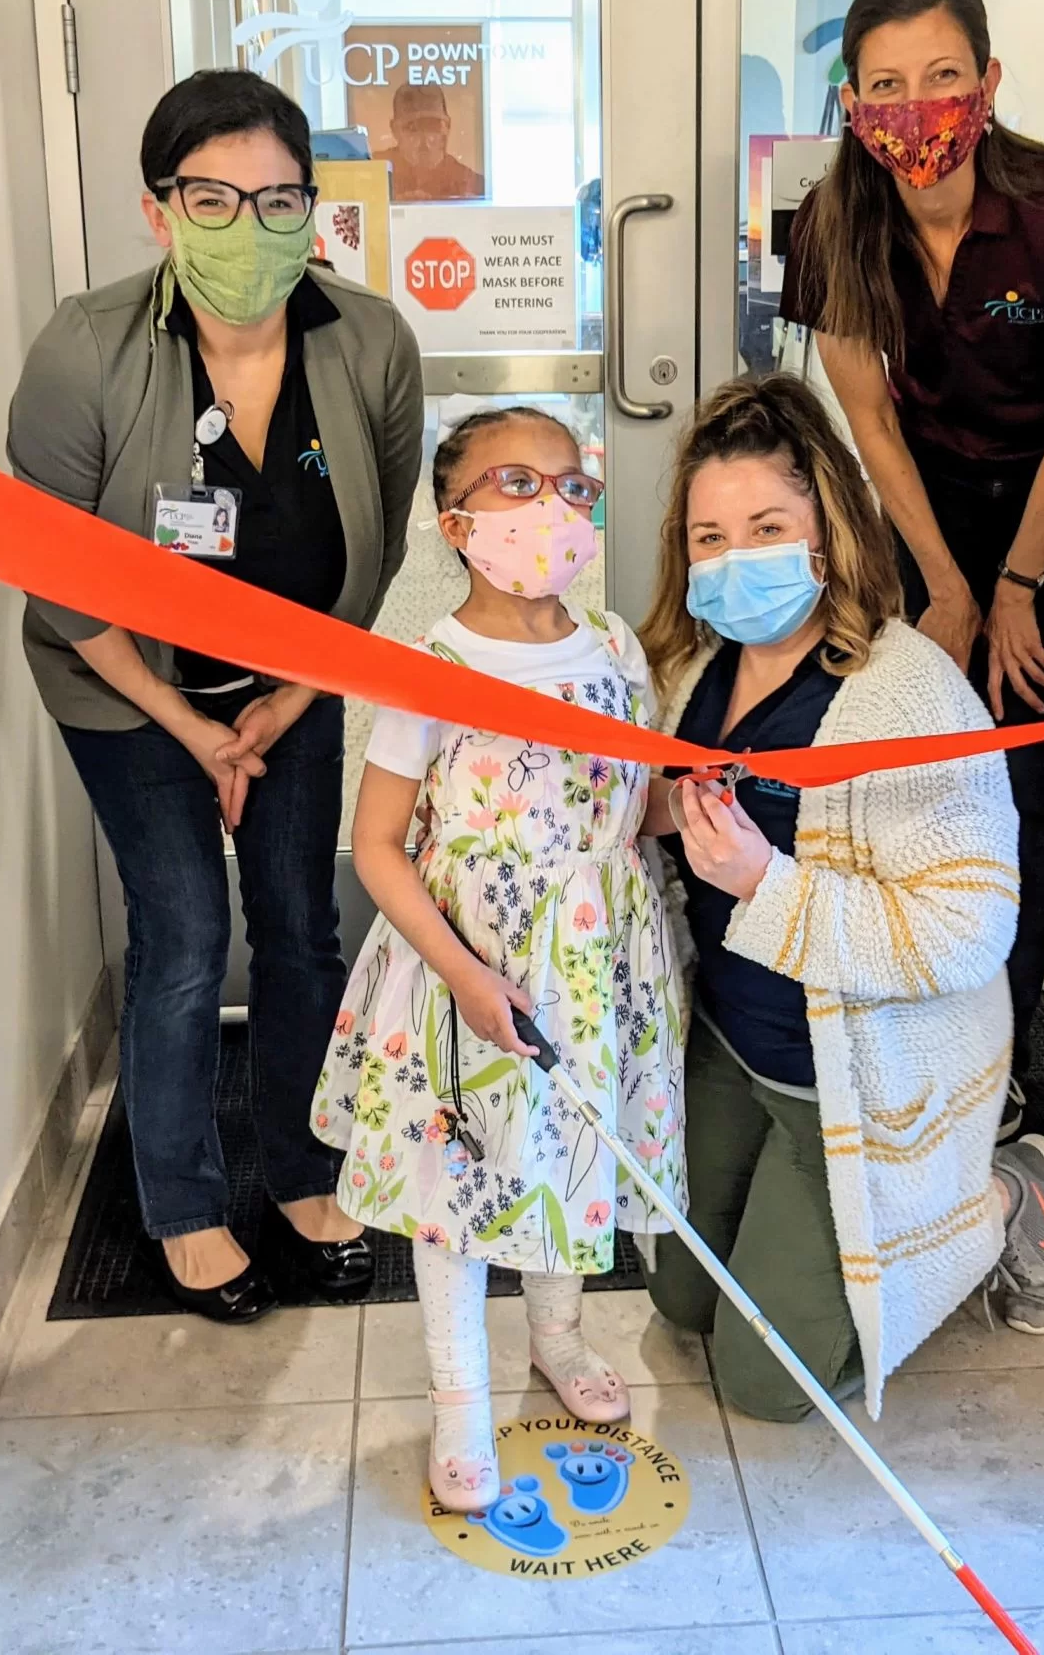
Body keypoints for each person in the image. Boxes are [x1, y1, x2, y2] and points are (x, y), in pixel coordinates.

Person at [8, 69, 424, 1321]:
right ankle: (183, 1203)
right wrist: (193, 727)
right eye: (213, 198)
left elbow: (376, 546)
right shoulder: (83, 349)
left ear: (314, 207)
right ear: (159, 211)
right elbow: (57, 574)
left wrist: (288, 704)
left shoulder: (369, 341)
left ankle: (303, 1171)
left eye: (278, 199)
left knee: (300, 924)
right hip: (123, 687)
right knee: (187, 936)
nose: (248, 228)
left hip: (291, 685)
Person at [640, 376, 1044, 1423]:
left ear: (827, 534)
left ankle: (999, 1193)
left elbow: (970, 931)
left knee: (767, 1388)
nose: (731, 558)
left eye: (766, 527)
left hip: (849, 1072)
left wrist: (766, 882)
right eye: (709, 537)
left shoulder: (907, 691)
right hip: (728, 1039)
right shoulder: (695, 667)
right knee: (679, 1303)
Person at [783, 0, 1044, 1103]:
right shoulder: (833, 222)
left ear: (988, 83)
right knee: (922, 743)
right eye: (886, 85)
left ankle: (1006, 1052)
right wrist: (944, 581)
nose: (916, 107)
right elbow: (871, 419)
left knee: (1021, 764)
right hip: (932, 486)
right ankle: (908, 1002)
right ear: (851, 102)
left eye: (943, 77)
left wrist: (1017, 587)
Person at [314, 406, 686, 1511]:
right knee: (461, 1184)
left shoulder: (614, 644)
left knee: (571, 1149)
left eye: (572, 484)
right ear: (455, 521)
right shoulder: (429, 666)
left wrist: (688, 804)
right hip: (462, 968)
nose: (551, 507)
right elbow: (379, 844)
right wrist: (469, 978)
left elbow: (632, 805)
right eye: (516, 483)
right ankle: (460, 1402)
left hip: (601, 965)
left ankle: (558, 1335)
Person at [385, 82, 486, 202]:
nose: (425, 141)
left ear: (447, 127)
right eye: (413, 129)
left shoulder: (472, 184)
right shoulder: (374, 174)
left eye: (433, 127)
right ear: (394, 129)